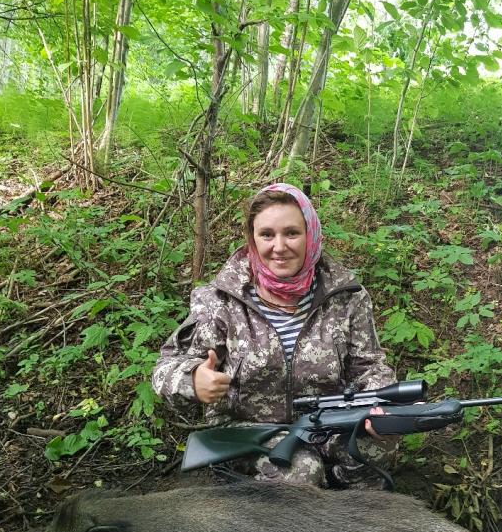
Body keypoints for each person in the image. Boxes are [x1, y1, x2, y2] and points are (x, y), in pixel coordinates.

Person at [152, 182, 397, 487]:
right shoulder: (219, 300)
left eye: (291, 233)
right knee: (299, 470)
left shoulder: (346, 296)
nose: (279, 247)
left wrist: (380, 406)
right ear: (252, 239)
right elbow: (164, 370)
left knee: (377, 443)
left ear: (310, 234)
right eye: (267, 234)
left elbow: (371, 367)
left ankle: (347, 513)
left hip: (326, 421)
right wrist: (194, 381)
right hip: (248, 431)